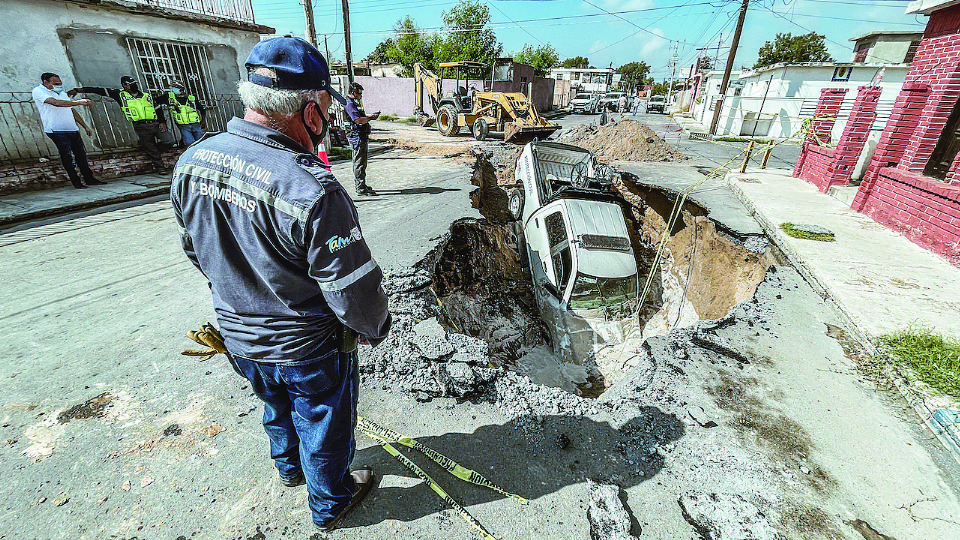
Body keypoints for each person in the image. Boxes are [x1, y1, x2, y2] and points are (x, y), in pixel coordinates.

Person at [170, 36, 391, 531]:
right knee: (322, 420)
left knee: (273, 403)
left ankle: (290, 470)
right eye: (327, 109)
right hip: (305, 345)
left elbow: (195, 249)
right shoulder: (311, 186)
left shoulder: (194, 160)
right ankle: (331, 502)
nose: (329, 121)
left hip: (239, 335)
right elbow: (351, 286)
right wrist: (374, 327)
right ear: (310, 111)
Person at [71, 76, 169, 171]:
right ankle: (160, 167)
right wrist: (78, 90)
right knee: (150, 147)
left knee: (169, 141)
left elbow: (158, 108)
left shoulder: (146, 96)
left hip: (155, 123)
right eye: (130, 84)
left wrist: (162, 122)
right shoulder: (119, 94)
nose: (133, 85)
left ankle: (151, 150)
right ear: (124, 85)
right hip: (140, 126)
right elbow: (98, 90)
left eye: (134, 83)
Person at [32, 72, 104, 189]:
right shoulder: (39, 91)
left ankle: (89, 179)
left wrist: (84, 125)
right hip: (56, 130)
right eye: (56, 83)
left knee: (81, 155)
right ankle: (76, 182)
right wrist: (78, 102)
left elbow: (71, 110)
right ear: (46, 82)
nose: (59, 85)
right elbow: (55, 103)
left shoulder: (61, 93)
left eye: (60, 83)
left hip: (72, 128)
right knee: (67, 157)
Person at [343, 82, 379, 196]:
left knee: (362, 163)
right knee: (359, 163)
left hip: (361, 136)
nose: (360, 96)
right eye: (359, 94)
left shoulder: (354, 103)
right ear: (352, 93)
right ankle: (360, 187)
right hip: (356, 137)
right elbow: (357, 120)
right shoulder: (349, 104)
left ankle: (362, 185)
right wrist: (370, 118)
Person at [155, 79, 206, 147]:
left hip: (195, 124)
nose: (173, 89)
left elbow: (202, 109)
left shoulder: (191, 98)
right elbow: (155, 102)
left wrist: (203, 121)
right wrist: (161, 120)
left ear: (181, 88)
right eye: (173, 87)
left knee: (201, 141)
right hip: (183, 125)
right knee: (190, 142)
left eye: (176, 87)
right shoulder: (169, 97)